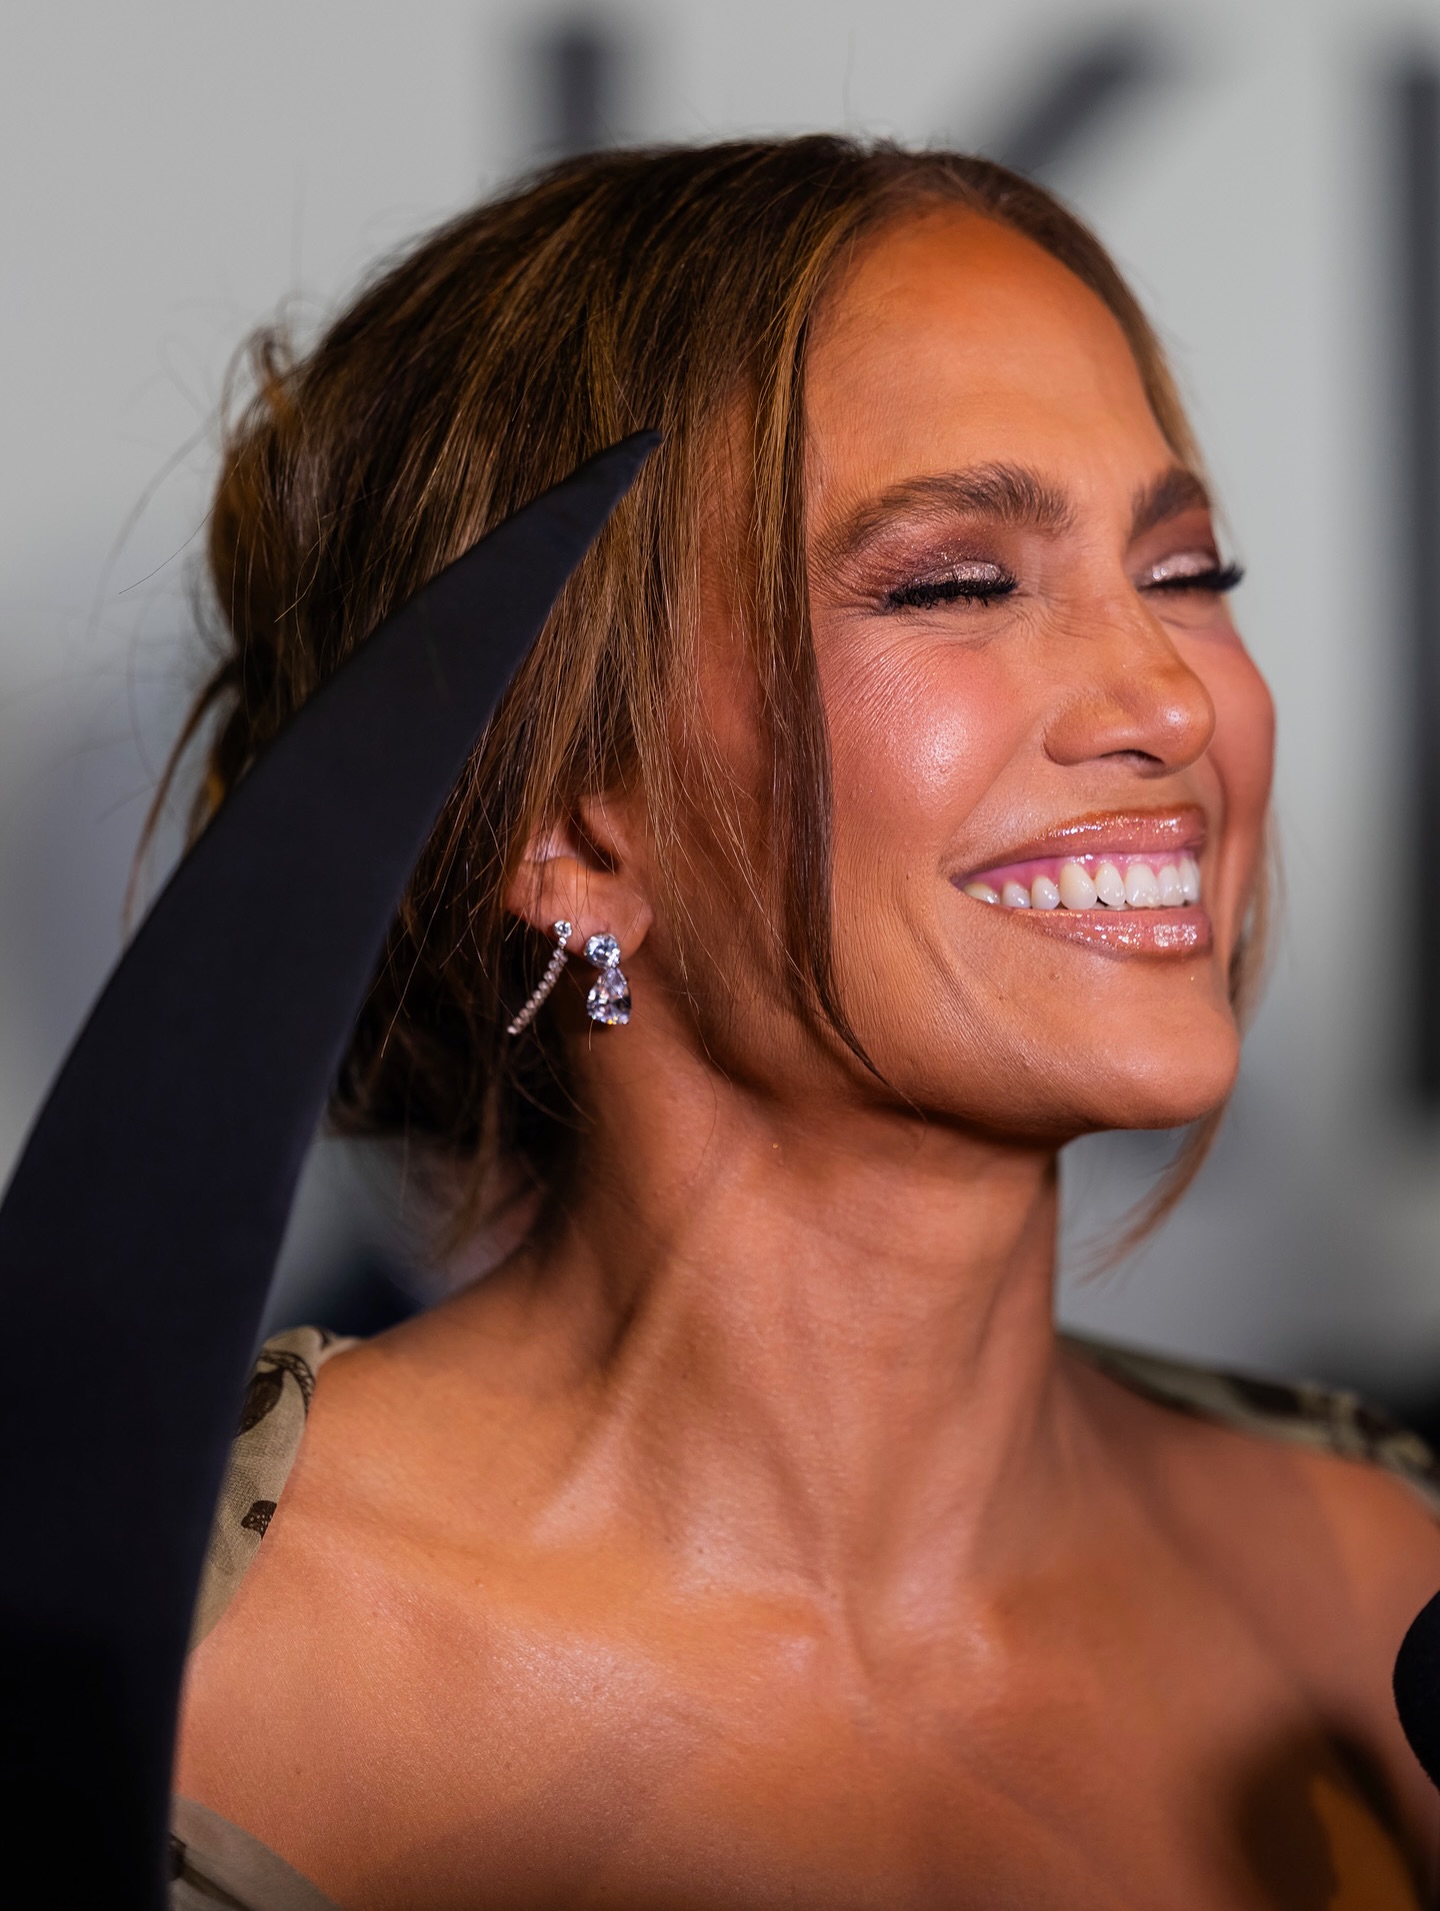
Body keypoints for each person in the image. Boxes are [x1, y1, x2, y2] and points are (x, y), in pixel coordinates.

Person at [169, 138, 1440, 1908]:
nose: (1170, 697)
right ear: (567, 825)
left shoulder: (1380, 1581)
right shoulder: (149, 1652)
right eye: (956, 584)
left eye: (1188, 573)